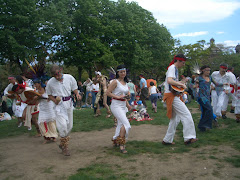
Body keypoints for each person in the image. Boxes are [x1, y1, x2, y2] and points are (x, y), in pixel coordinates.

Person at [162, 54, 198, 145]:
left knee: (175, 119)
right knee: (186, 114)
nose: (184, 64)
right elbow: (170, 81)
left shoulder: (174, 69)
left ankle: (167, 140)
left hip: (172, 95)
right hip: (172, 96)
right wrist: (182, 84)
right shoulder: (172, 68)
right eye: (183, 62)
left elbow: (173, 84)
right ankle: (189, 137)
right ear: (178, 61)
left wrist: (182, 82)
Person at [46, 65, 81, 156]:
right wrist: (55, 101)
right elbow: (49, 95)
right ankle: (65, 148)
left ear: (61, 70)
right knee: (63, 126)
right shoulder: (50, 82)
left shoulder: (69, 77)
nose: (57, 77)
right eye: (55, 76)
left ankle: (62, 143)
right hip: (59, 106)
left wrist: (77, 94)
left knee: (69, 126)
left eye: (58, 74)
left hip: (68, 103)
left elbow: (74, 88)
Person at [107, 65, 131, 154]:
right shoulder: (115, 82)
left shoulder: (125, 82)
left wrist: (128, 97)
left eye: (124, 71)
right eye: (121, 72)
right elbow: (107, 93)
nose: (123, 73)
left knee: (120, 124)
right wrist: (118, 96)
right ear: (118, 73)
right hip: (116, 105)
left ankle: (115, 139)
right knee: (127, 125)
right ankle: (121, 144)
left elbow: (127, 93)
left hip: (123, 105)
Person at [34, 79, 58, 144]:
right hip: (42, 108)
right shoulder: (36, 91)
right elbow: (36, 101)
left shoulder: (47, 89)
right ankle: (46, 137)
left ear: (39, 83)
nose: (35, 85)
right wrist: (36, 100)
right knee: (41, 122)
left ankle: (53, 136)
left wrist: (50, 98)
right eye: (34, 84)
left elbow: (53, 96)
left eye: (36, 84)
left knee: (51, 121)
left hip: (49, 106)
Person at [196, 65, 214, 131]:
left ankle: (202, 127)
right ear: (203, 70)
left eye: (209, 70)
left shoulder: (210, 77)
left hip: (208, 96)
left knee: (205, 111)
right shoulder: (199, 78)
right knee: (209, 110)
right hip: (201, 97)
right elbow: (192, 85)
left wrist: (223, 84)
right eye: (207, 70)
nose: (208, 72)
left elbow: (216, 84)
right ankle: (205, 125)